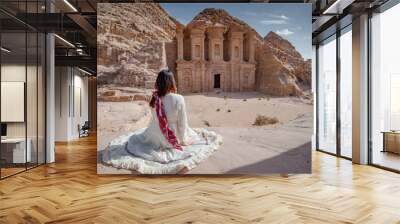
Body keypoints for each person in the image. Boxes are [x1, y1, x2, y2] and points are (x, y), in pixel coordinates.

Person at [102, 70, 222, 174]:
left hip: (153, 134)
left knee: (137, 139)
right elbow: (182, 123)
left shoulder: (154, 98)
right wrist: (183, 140)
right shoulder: (178, 98)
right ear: (172, 82)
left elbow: (154, 118)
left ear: (158, 83)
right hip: (170, 136)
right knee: (193, 137)